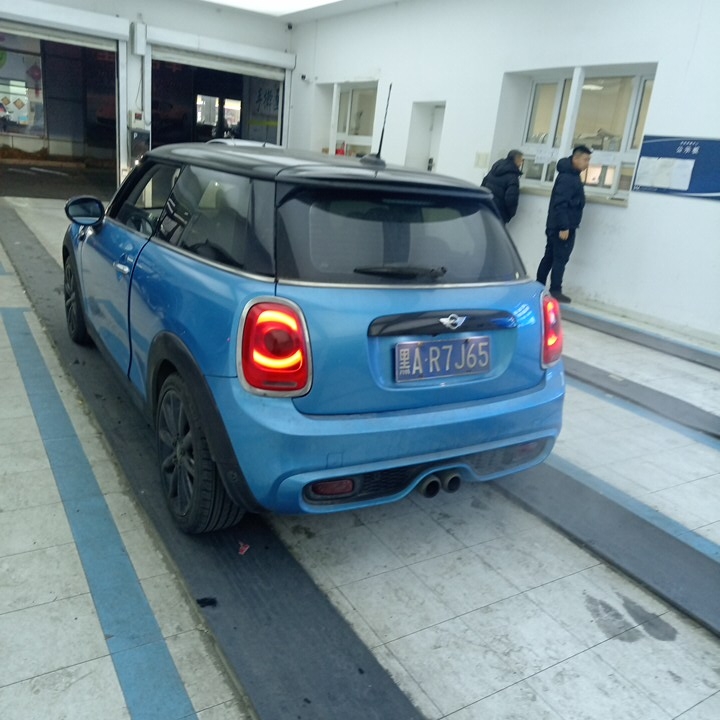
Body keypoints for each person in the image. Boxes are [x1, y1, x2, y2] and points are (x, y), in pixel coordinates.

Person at [536, 145, 592, 303]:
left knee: (550, 257)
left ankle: (538, 287)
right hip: (562, 226)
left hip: (558, 224)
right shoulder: (568, 178)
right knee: (559, 258)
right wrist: (564, 227)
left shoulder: (571, 175)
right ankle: (555, 290)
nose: (587, 163)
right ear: (575, 158)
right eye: (585, 159)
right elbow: (560, 204)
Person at [481, 150, 524, 223]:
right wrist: (509, 215)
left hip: (486, 208)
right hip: (499, 213)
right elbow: (511, 199)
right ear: (517, 160)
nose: (521, 163)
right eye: (521, 160)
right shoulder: (513, 176)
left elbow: (483, 185)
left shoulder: (495, 168)